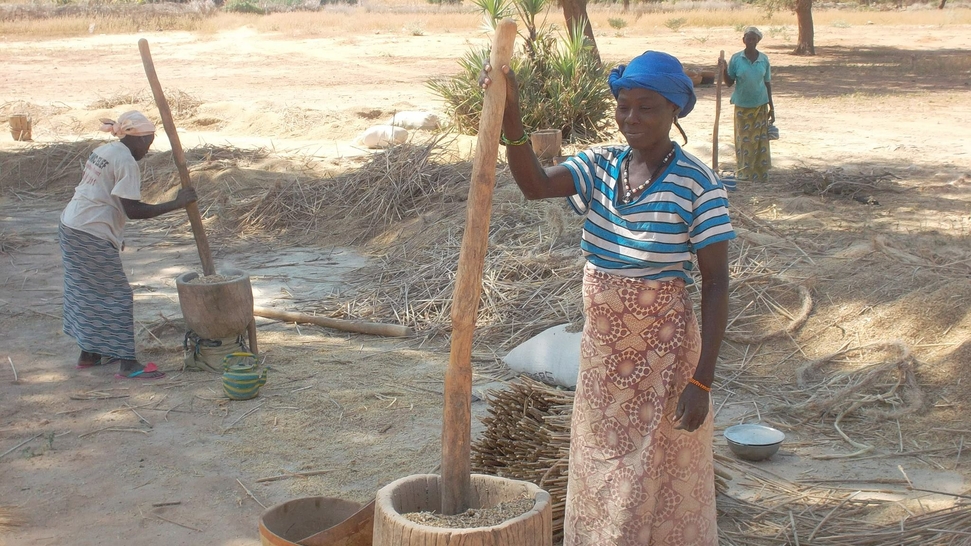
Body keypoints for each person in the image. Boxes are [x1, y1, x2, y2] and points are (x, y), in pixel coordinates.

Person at [481, 51, 734, 545]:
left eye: (647, 107)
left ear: (675, 112)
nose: (631, 118)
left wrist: (701, 382)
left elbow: (717, 283)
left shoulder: (698, 185)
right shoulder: (600, 166)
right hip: (602, 365)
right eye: (623, 105)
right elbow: (534, 185)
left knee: (656, 476)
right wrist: (512, 114)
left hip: (665, 363)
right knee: (602, 468)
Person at [59, 111, 197, 379]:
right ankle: (128, 364)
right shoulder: (126, 162)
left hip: (72, 225)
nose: (149, 147)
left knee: (85, 291)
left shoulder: (106, 150)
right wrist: (176, 204)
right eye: (148, 141)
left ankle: (89, 354)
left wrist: (114, 236)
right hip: (90, 232)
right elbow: (133, 210)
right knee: (118, 296)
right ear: (137, 138)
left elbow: (102, 195)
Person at [723, 26, 775, 183]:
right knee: (744, 142)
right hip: (742, 106)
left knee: (760, 141)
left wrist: (772, 107)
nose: (751, 41)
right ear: (743, 40)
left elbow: (767, 83)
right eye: (748, 38)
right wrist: (724, 68)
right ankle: (745, 174)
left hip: (760, 105)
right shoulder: (737, 59)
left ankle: (760, 175)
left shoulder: (763, 59)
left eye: (754, 39)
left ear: (758, 41)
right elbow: (729, 83)